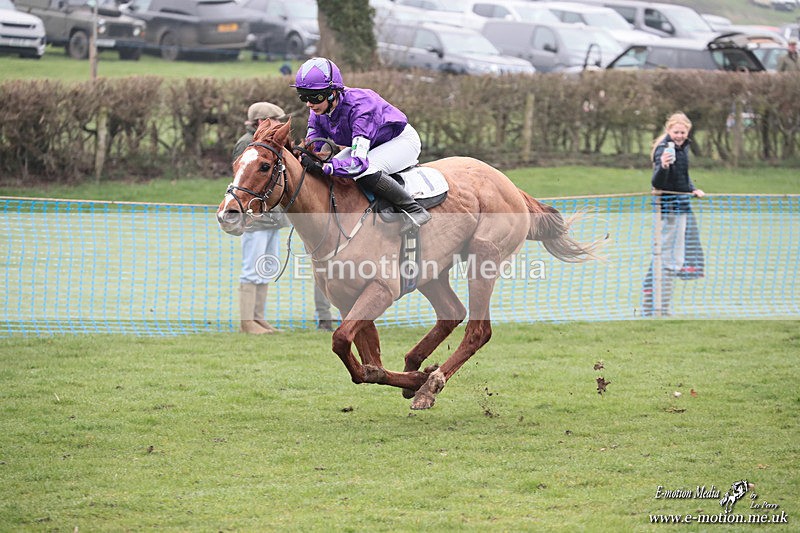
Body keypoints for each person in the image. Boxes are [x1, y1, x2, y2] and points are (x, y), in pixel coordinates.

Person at [291, 57, 431, 234]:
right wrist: (304, 157)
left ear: (333, 92)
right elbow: (314, 147)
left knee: (365, 170)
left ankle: (414, 210)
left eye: (314, 97)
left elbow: (358, 163)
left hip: (400, 141)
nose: (309, 104)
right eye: (303, 97)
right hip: (371, 144)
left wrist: (326, 167)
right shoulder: (317, 112)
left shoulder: (361, 107)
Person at [232, 102, 289, 334]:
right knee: (251, 269)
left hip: (271, 219)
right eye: (275, 120)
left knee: (264, 268)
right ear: (261, 123)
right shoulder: (248, 144)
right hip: (255, 220)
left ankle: (258, 318)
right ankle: (247, 322)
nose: (279, 125)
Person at [642, 112, 705, 317]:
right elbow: (658, 183)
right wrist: (664, 166)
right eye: (676, 132)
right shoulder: (664, 150)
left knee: (670, 256)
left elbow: (682, 177)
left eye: (683, 132)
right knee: (670, 259)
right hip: (670, 209)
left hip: (682, 204)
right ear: (668, 130)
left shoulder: (682, 148)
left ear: (688, 132)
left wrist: (692, 189)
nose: (679, 135)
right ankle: (657, 307)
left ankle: (658, 306)